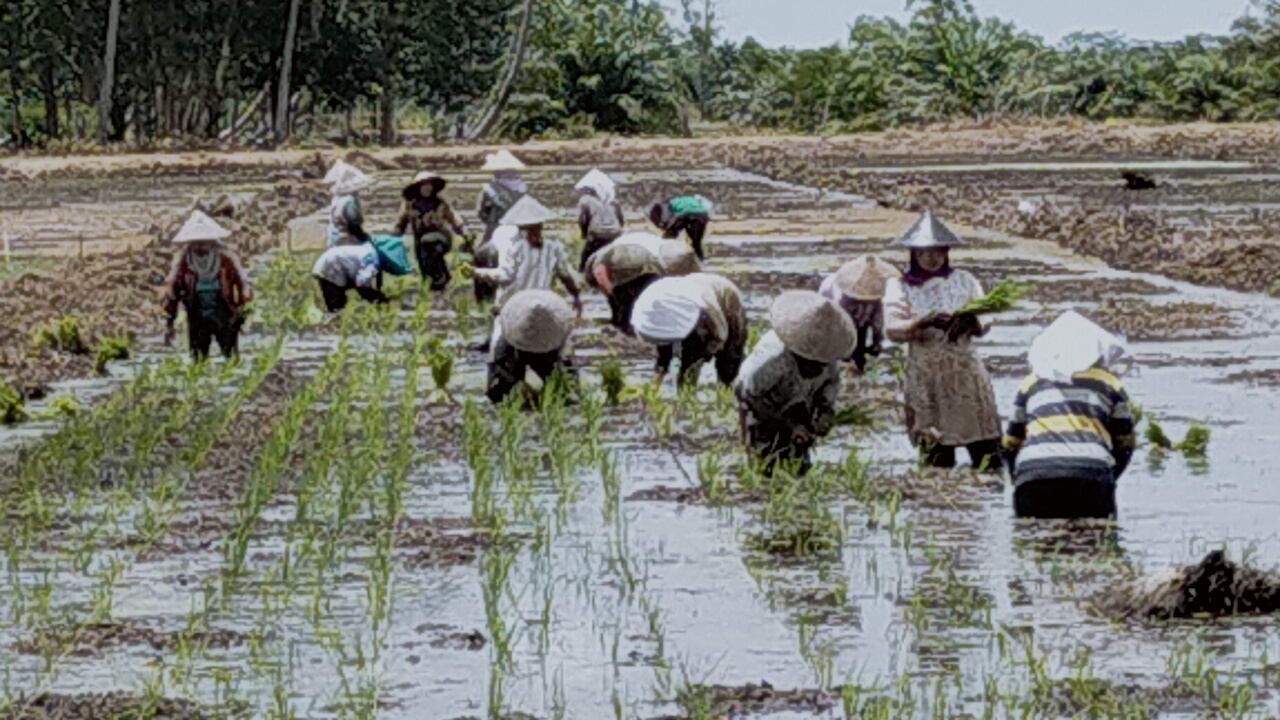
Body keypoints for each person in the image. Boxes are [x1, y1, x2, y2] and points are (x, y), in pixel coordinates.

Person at [883, 211, 1003, 472]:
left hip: (965, 373)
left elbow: (986, 321)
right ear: (914, 254)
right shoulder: (899, 286)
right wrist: (920, 322)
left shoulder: (965, 281)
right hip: (927, 376)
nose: (932, 257)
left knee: (988, 455)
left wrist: (969, 322)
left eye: (938, 251)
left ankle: (986, 495)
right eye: (924, 252)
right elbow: (892, 329)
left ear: (947, 252)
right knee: (936, 458)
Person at [1003, 311, 1136, 520]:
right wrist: (1110, 476)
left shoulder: (1031, 383)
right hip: (1090, 475)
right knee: (1096, 538)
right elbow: (1125, 444)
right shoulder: (1110, 384)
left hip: (1034, 476)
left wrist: (1017, 477)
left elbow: (1011, 443)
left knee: (1035, 538)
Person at [734, 291, 855, 477]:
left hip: (798, 403)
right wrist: (789, 426)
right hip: (762, 404)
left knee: (799, 464)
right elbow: (748, 396)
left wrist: (824, 413)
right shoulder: (772, 361)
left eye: (821, 364)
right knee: (764, 462)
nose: (818, 368)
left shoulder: (828, 355)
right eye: (812, 363)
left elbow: (829, 386)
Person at [472, 196, 583, 354]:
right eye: (530, 229)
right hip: (541, 305)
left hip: (517, 305)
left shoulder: (516, 248)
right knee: (556, 343)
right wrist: (576, 296)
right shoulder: (553, 246)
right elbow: (566, 275)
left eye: (535, 228)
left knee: (498, 348)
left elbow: (505, 275)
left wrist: (478, 273)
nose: (533, 233)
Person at [162, 210, 252, 361]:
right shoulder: (183, 262)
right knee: (198, 359)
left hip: (223, 313)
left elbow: (243, 282)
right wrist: (170, 322)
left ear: (211, 241)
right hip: (197, 314)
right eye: (196, 242)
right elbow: (172, 291)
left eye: (203, 242)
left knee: (230, 357)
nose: (200, 246)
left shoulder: (226, 259)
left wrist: (243, 308)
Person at [631, 273, 746, 388]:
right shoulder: (658, 302)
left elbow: (720, 336)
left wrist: (706, 353)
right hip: (685, 302)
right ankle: (672, 389)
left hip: (725, 301)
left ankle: (726, 391)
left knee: (728, 362)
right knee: (665, 360)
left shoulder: (710, 310)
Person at [584, 233, 700, 334]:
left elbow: (604, 279)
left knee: (625, 297)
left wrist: (610, 292)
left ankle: (625, 326)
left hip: (634, 258)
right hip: (646, 256)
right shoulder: (671, 251)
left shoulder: (601, 260)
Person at [487, 289, 577, 406]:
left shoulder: (508, 331)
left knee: (562, 388)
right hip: (518, 349)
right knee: (502, 389)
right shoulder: (506, 348)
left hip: (542, 350)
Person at [818, 256, 899, 373]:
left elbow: (877, 324)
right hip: (838, 320)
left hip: (856, 322)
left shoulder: (875, 295)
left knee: (859, 339)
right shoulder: (834, 289)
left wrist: (876, 345)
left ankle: (856, 363)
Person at [472, 150, 528, 303]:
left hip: (495, 230)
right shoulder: (522, 188)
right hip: (521, 231)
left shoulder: (488, 190)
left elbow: (481, 213)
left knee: (481, 255)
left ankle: (484, 296)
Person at [395, 171, 465, 292]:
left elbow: (455, 220)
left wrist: (465, 236)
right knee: (424, 265)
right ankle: (436, 286)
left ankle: (440, 279)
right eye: (424, 185)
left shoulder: (440, 203)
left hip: (441, 237)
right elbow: (400, 224)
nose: (428, 188)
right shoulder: (410, 205)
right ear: (418, 187)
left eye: (430, 185)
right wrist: (393, 240)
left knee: (429, 243)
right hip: (419, 239)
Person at [312, 242, 387, 312]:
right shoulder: (370, 258)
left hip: (329, 263)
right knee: (337, 302)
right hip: (331, 266)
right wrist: (376, 297)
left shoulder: (368, 252)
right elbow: (362, 283)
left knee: (337, 300)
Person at [575, 168, 625, 271]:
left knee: (585, 261)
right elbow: (621, 219)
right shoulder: (613, 200)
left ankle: (582, 274)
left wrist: (584, 234)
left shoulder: (585, 200)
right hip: (616, 234)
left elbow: (583, 220)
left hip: (597, 235)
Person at [648, 194, 712, 261]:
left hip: (685, 214)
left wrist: (667, 229)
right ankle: (701, 259)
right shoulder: (689, 199)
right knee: (696, 241)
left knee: (670, 234)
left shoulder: (670, 203)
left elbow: (669, 219)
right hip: (703, 215)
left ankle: (666, 256)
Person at [327, 164, 374, 248]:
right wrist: (362, 236)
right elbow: (353, 221)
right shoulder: (349, 201)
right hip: (345, 240)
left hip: (335, 237)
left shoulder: (337, 199)